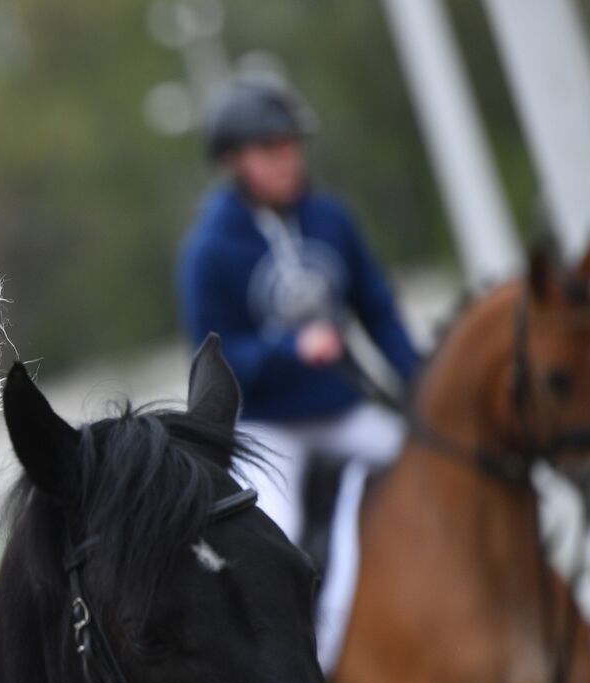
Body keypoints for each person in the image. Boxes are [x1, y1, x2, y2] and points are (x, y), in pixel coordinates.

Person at [176, 76, 421, 544]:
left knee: (436, 466)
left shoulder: (332, 218)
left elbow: (378, 311)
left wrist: (421, 381)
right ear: (234, 160)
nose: (288, 160)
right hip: (268, 426)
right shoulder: (208, 251)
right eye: (270, 150)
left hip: (342, 410)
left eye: (291, 146)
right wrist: (292, 348)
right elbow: (214, 362)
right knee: (276, 532)